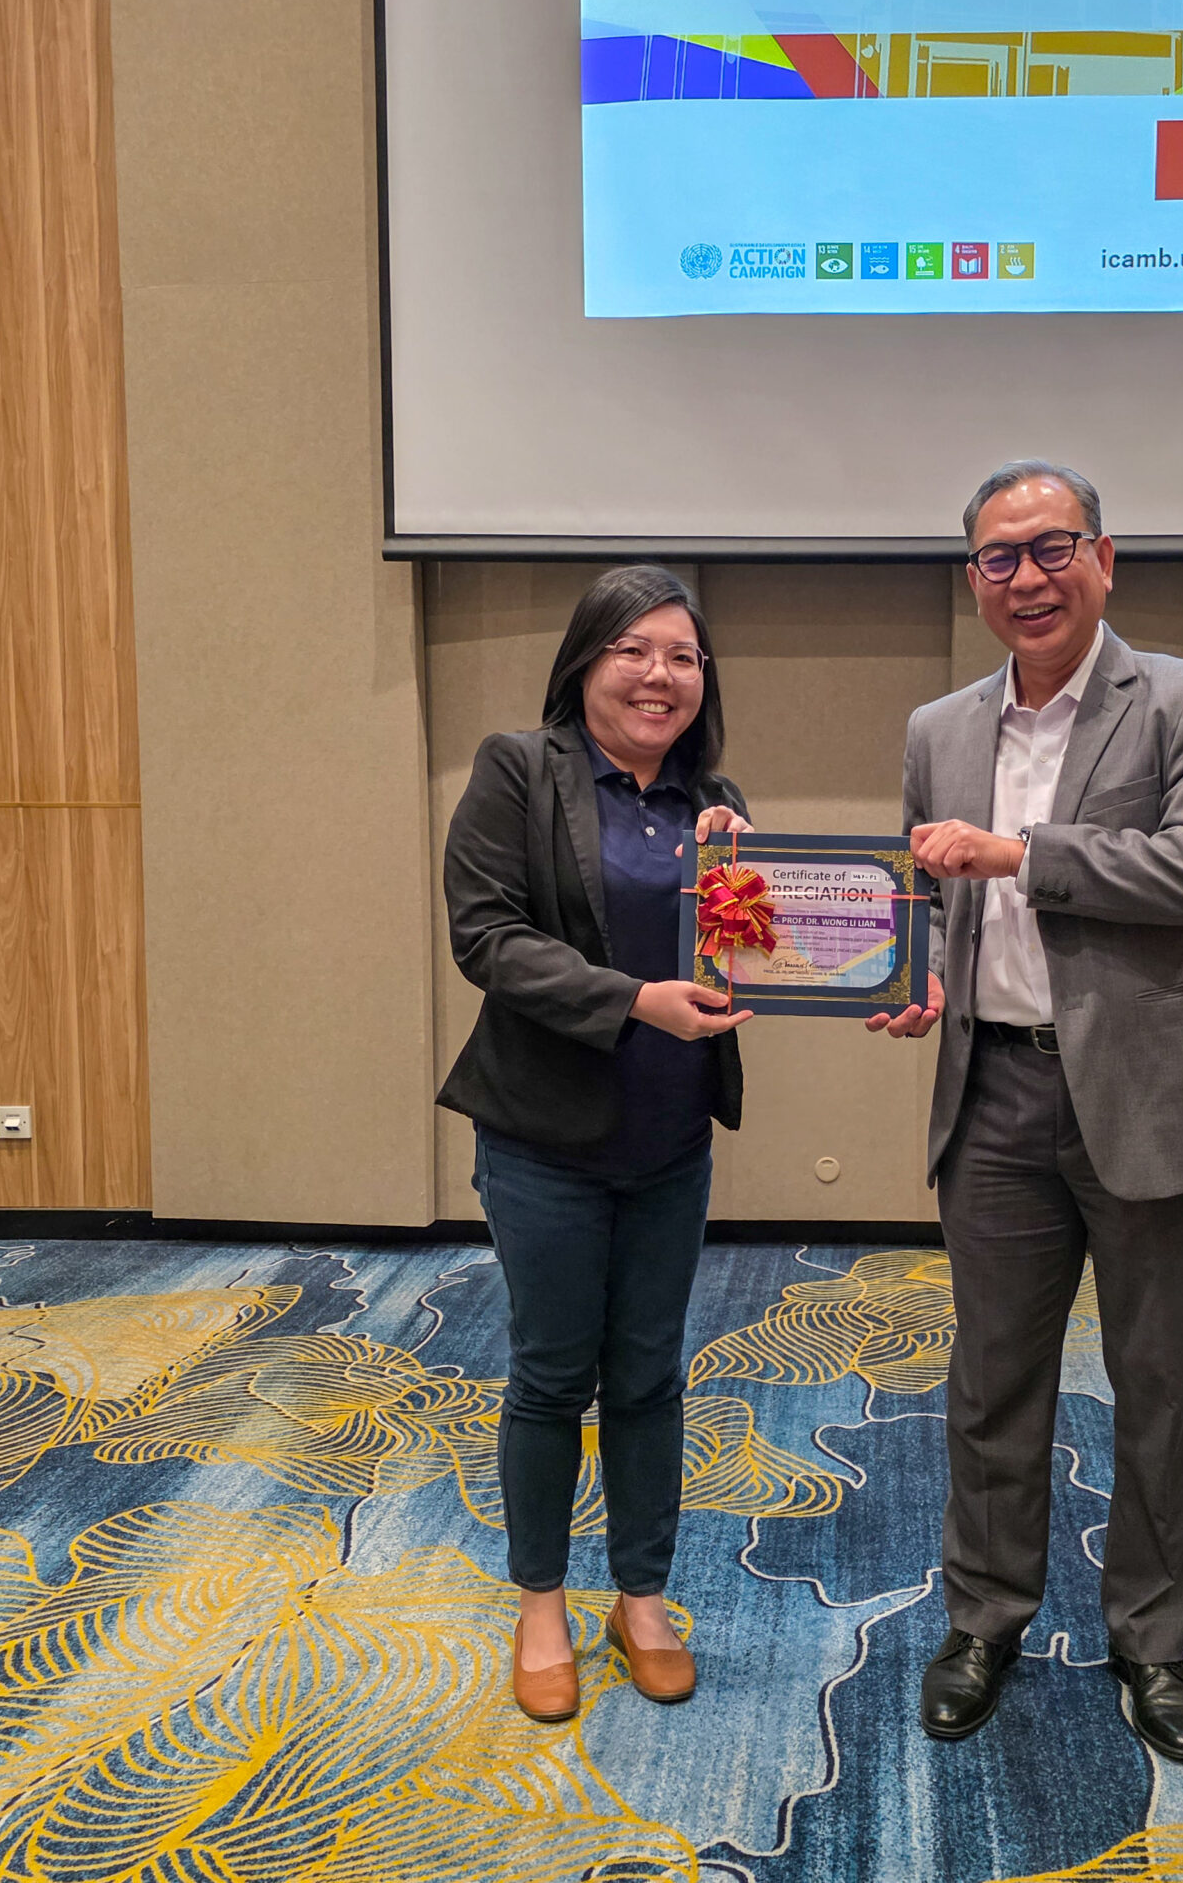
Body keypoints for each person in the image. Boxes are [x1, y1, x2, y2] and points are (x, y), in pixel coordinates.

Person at [869, 460, 1183, 1761]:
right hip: (992, 1093)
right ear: (973, 579)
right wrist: (920, 980)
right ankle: (984, 1621)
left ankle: (1151, 1643)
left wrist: (1018, 855)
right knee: (992, 1383)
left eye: (1053, 548)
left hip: (1148, 1100)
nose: (1028, 578)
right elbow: (934, 905)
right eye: (1000, 557)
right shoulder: (939, 730)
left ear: (1105, 559)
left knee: (1158, 1386)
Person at [439, 564, 754, 1724]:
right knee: (551, 1374)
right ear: (584, 662)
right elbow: (487, 938)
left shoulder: (713, 801)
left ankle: (641, 1598)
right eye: (633, 649)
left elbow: (745, 961)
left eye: (681, 655)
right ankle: (540, 1606)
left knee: (651, 1374)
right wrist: (631, 1001)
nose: (658, 674)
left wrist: (751, 879)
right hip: (545, 1137)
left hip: (670, 1136)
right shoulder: (518, 771)